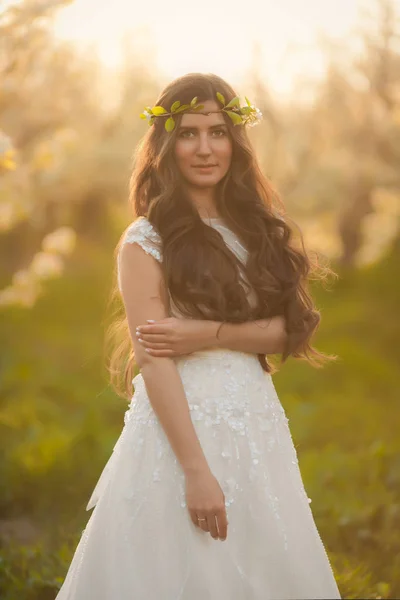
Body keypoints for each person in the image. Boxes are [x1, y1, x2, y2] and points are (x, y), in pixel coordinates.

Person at [55, 72, 341, 600]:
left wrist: (204, 333)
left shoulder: (258, 227)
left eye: (217, 132)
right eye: (188, 133)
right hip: (179, 434)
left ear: (236, 140)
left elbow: (288, 331)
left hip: (255, 427)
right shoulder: (146, 239)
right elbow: (156, 359)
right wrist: (195, 471)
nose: (204, 148)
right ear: (166, 144)